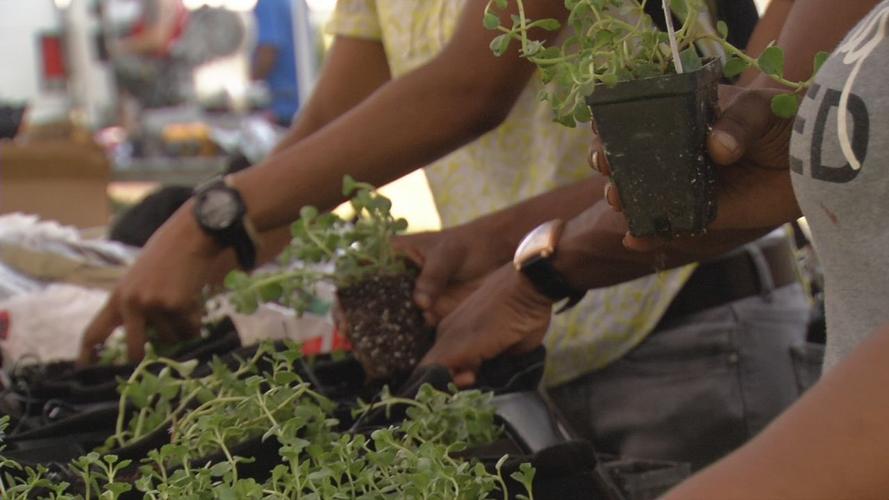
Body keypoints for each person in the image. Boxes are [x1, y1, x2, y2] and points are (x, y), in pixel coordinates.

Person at [83, 0, 802, 469]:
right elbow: (327, 125)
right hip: (523, 331)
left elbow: (468, 89)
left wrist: (209, 219)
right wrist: (226, 260)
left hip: (686, 335)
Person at [252, 0, 300, 126]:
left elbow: (269, 50)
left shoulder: (270, 2)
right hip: (298, 104)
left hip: (281, 108)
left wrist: (250, 82)